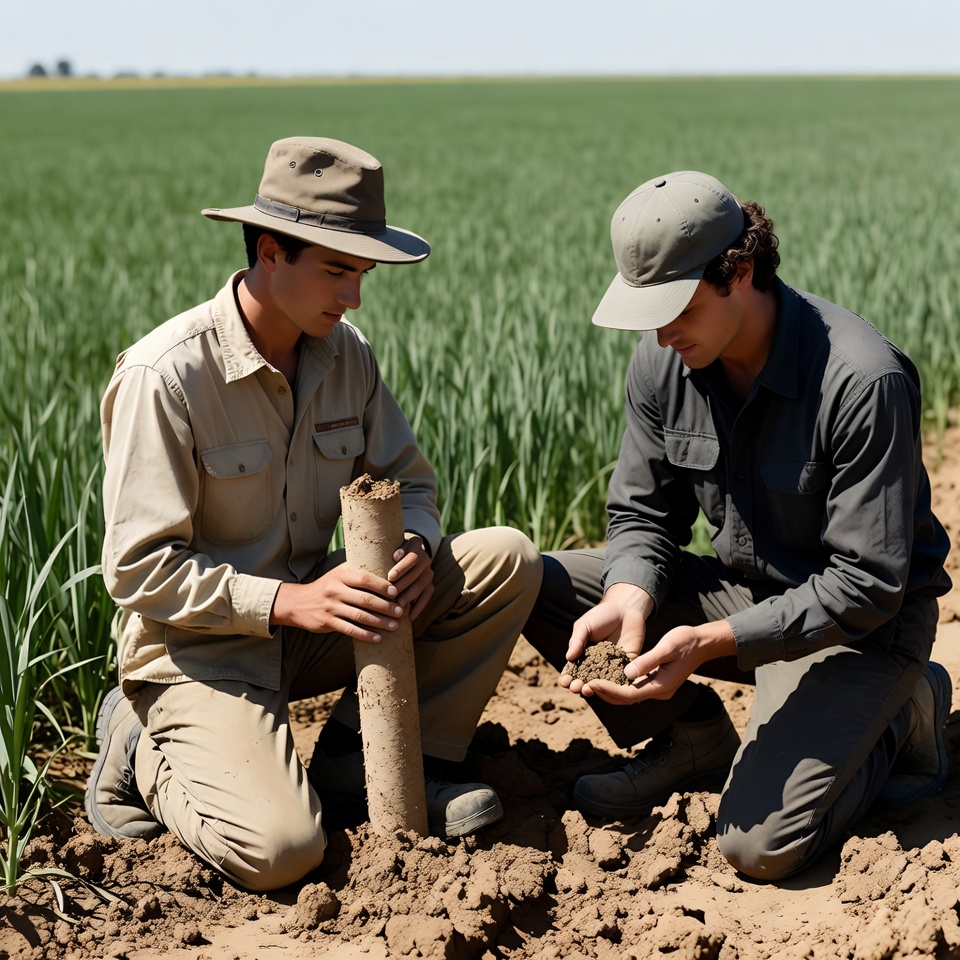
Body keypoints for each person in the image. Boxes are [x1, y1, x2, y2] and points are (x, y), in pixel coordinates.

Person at [85, 136, 542, 892]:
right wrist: (288, 601)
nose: (354, 296)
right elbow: (138, 571)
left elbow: (412, 486)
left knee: (506, 559)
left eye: (361, 273)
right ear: (270, 251)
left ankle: (361, 762)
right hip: (201, 652)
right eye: (337, 271)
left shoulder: (345, 356)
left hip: (318, 620)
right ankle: (138, 746)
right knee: (284, 852)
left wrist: (420, 550)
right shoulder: (165, 377)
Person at [523, 170, 953, 881]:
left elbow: (870, 585)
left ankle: (901, 716)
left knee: (759, 848)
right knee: (539, 579)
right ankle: (691, 738)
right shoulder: (665, 360)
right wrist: (630, 591)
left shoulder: (861, 380)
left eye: (676, 307)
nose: (661, 331)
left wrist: (710, 642)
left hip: (860, 631)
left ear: (740, 271)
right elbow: (642, 512)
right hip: (744, 595)